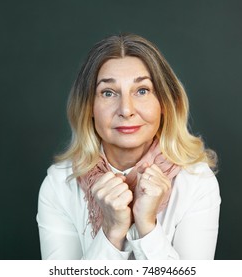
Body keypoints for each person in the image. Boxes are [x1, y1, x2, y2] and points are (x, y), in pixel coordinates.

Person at [36, 33, 221, 260]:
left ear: (164, 103)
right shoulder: (59, 184)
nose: (126, 109)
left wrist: (147, 227)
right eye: (108, 93)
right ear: (88, 108)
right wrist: (112, 232)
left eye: (142, 91)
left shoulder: (197, 181)